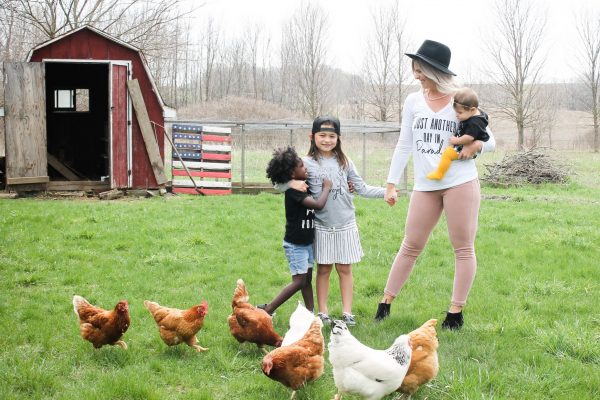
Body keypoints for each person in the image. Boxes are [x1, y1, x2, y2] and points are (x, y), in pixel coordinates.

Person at [374, 40, 495, 330]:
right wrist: (391, 183)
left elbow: (490, 141)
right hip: (425, 185)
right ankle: (385, 302)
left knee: (463, 247)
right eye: (414, 70)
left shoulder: (462, 100)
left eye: (420, 71)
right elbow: (404, 144)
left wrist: (474, 148)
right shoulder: (413, 101)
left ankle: (455, 312)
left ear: (435, 71)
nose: (416, 76)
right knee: (410, 245)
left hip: (460, 182)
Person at [284, 116, 385, 326]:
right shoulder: (305, 163)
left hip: (346, 224)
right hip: (321, 225)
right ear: (312, 137)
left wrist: (387, 192)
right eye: (322, 135)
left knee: (345, 269)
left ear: (339, 138)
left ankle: (347, 313)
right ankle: (323, 312)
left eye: (332, 136)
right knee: (323, 269)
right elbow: (278, 182)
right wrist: (291, 182)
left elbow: (362, 187)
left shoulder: (345, 162)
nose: (327, 140)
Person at [259, 147, 332, 316]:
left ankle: (310, 314)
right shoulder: (294, 192)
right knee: (299, 281)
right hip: (295, 246)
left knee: (306, 281)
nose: (305, 168)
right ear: (292, 173)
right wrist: (327, 188)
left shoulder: (301, 186)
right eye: (301, 166)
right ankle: (268, 309)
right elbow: (318, 205)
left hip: (306, 244)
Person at [427, 87, 490, 180]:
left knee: (447, 154)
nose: (457, 115)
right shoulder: (478, 113)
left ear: (472, 110)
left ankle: (439, 173)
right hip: (467, 143)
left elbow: (469, 138)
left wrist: (456, 141)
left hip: (466, 147)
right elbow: (487, 117)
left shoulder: (474, 122)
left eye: (460, 112)